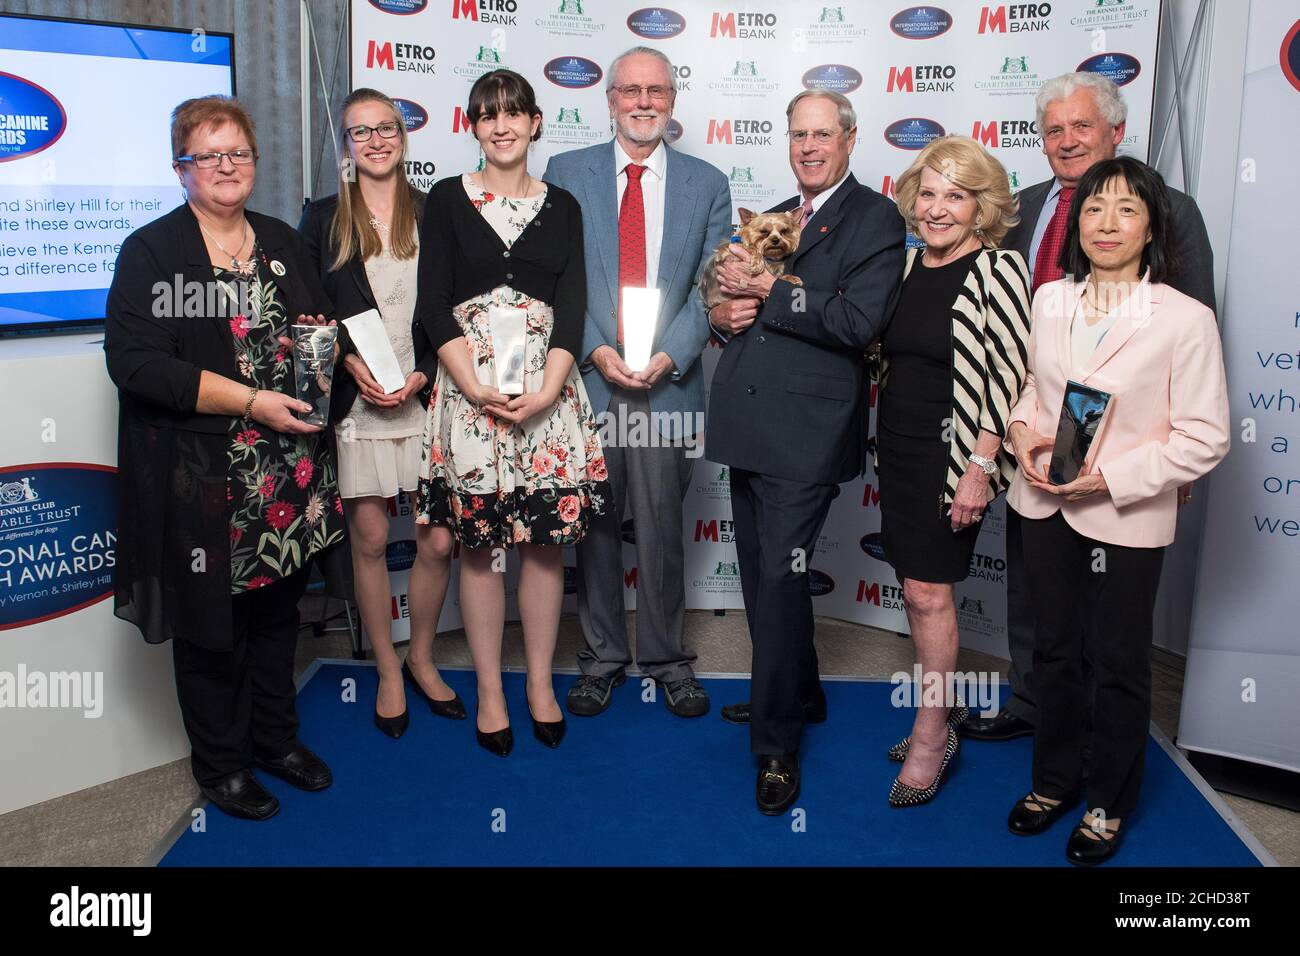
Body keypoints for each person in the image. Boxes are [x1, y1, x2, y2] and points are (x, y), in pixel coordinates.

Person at [104, 96, 341, 821]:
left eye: (238, 152)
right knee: (214, 630)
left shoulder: (280, 241)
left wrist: (329, 356)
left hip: (288, 477)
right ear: (182, 168)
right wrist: (249, 402)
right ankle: (222, 767)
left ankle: (276, 739)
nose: (226, 166)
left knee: (277, 618)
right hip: (207, 480)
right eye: (209, 154)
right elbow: (137, 365)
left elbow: (318, 327)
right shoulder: (155, 252)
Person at [964, 71, 1216, 744]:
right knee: (1032, 573)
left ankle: (1099, 730)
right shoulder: (1018, 208)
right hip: (1033, 422)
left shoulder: (1169, 209)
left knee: (1108, 610)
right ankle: (1033, 702)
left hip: (1124, 443)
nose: (1067, 140)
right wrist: (1007, 428)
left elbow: (1195, 326)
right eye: (1054, 129)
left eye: (1082, 127)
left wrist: (1174, 465)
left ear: (1116, 132)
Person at [1003, 156, 1229, 864]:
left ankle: (1107, 802)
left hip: (1125, 514)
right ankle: (1054, 781)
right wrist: (1022, 436)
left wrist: (1109, 479)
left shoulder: (1184, 319)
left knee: (1121, 662)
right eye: (1095, 208)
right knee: (1054, 652)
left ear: (1153, 226)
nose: (1107, 223)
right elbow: (1030, 398)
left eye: (1127, 209)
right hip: (1042, 504)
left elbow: (1205, 436)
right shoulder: (1050, 300)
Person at [707, 89, 906, 814]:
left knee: (779, 584)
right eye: (798, 135)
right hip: (747, 422)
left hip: (807, 434)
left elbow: (857, 321)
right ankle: (798, 692)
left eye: (822, 134)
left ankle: (777, 744)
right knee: (764, 572)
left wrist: (767, 285)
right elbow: (739, 313)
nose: (809, 147)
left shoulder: (877, 217)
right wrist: (725, 313)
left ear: (850, 139)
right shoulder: (777, 216)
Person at [412, 70, 611, 757]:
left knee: (545, 548)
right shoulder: (444, 199)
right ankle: (492, 690)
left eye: (512, 114)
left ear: (535, 122)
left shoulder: (564, 205)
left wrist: (551, 389)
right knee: (481, 549)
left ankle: (538, 687)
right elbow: (431, 302)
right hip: (471, 400)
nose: (500, 126)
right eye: (486, 116)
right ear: (473, 126)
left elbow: (574, 307)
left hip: (547, 399)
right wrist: (471, 384)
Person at [543, 47, 731, 719]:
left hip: (667, 388)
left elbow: (714, 285)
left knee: (659, 527)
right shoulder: (566, 172)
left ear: (672, 101)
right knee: (592, 526)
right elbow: (557, 274)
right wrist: (594, 349)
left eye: (656, 90)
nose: (644, 101)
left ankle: (665, 657)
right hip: (589, 383)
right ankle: (600, 659)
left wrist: (671, 356)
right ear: (611, 99)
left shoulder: (708, 183)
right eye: (631, 90)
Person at [299, 88, 460, 739]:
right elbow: (308, 317)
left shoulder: (434, 212)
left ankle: (421, 655)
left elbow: (446, 305)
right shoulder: (320, 218)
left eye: (385, 128)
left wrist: (425, 370)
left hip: (424, 397)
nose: (374, 140)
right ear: (345, 146)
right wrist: (345, 366)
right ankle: (388, 668)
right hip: (357, 406)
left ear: (402, 135)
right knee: (367, 542)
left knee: (438, 539)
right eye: (359, 132)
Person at [875, 136, 1031, 807]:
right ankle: (935, 712)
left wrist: (980, 465)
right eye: (930, 193)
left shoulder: (1000, 270)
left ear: (981, 206)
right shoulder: (908, 269)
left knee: (930, 593)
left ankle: (934, 730)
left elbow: (1012, 372)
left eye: (956, 197)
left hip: (955, 459)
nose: (938, 209)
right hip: (901, 449)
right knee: (915, 590)